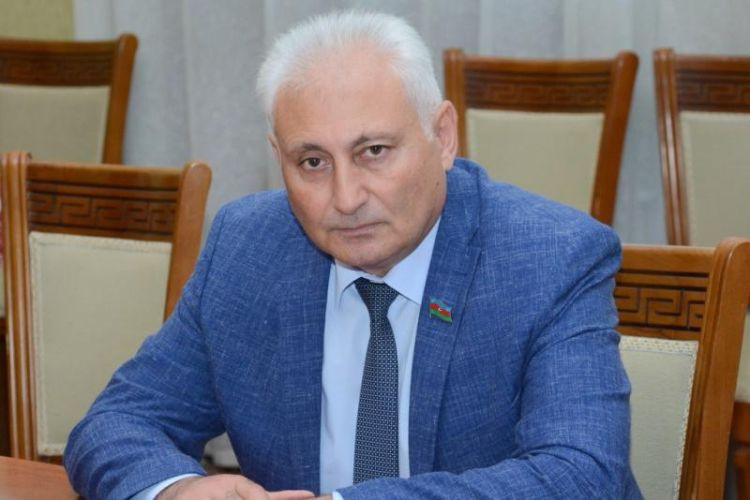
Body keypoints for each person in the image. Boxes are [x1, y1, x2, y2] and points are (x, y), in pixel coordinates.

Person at [64, 10, 641, 500]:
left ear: (443, 136)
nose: (345, 198)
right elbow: (118, 422)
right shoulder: (247, 248)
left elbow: (580, 474)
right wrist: (177, 489)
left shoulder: (551, 258)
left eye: (374, 151)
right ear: (278, 158)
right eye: (312, 162)